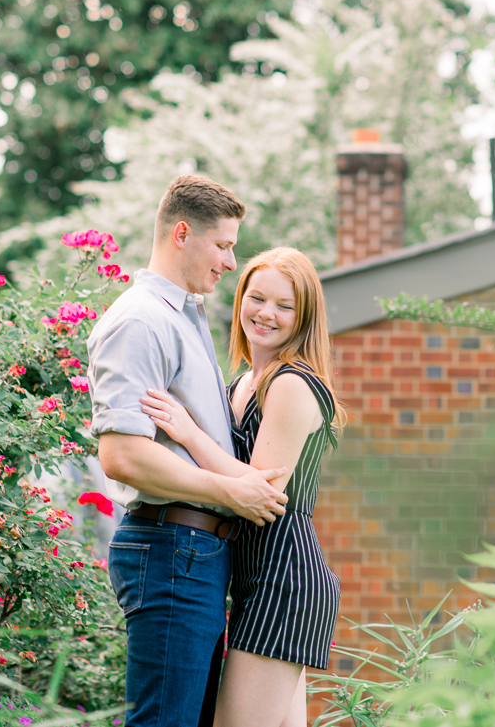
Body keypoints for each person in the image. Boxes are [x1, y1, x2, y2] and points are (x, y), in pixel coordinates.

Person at [87, 175, 292, 727]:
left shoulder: (184, 315)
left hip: (196, 551)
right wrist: (231, 491)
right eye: (223, 244)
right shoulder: (140, 320)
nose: (231, 261)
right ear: (182, 232)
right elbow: (123, 457)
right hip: (171, 545)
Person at [140, 247, 344, 727]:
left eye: (284, 306)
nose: (266, 313)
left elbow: (261, 492)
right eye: (257, 298)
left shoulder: (293, 384)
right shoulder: (241, 384)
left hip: (285, 581)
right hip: (251, 578)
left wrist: (188, 431)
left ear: (304, 317)